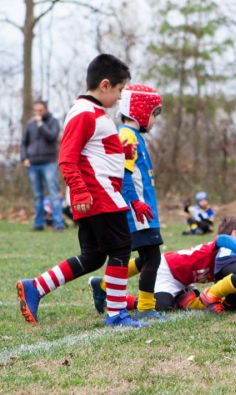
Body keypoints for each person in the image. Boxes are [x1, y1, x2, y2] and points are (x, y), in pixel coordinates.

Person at [16, 54, 145, 328]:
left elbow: (94, 152)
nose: (121, 98)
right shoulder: (84, 112)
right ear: (106, 85)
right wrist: (81, 191)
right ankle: (117, 314)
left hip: (100, 194)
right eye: (120, 90)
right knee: (121, 248)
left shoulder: (95, 113)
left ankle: (35, 287)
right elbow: (67, 157)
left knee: (94, 256)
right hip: (99, 196)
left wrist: (120, 150)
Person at [89, 216, 236, 313]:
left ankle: (182, 296)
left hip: (184, 278)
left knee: (187, 301)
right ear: (235, 234)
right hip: (170, 270)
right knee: (161, 306)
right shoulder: (225, 247)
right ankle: (114, 299)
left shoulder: (231, 259)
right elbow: (221, 239)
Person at [114, 84, 165, 319]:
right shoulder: (126, 135)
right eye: (154, 113)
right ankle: (146, 307)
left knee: (146, 257)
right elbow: (123, 174)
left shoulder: (134, 136)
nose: (154, 120)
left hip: (146, 209)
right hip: (139, 210)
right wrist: (135, 202)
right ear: (140, 111)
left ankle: (103, 286)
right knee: (153, 257)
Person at [21, 100, 64, 231]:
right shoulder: (29, 124)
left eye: (40, 110)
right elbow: (24, 142)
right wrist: (24, 158)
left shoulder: (53, 122)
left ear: (46, 110)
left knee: (53, 193)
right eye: (36, 111)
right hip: (33, 163)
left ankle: (58, 224)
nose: (38, 113)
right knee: (38, 195)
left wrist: (40, 124)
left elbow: (52, 137)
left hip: (48, 162)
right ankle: (38, 224)